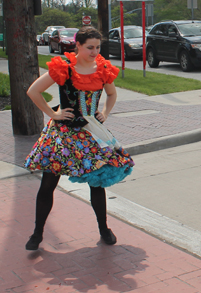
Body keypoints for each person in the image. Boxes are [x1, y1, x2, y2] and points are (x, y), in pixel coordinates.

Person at [24, 26, 134, 250]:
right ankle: (37, 233)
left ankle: (104, 229)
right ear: (78, 46)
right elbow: (33, 91)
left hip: (91, 132)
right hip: (62, 134)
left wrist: (105, 112)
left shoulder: (102, 68)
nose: (95, 52)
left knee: (97, 182)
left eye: (98, 47)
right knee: (48, 183)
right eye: (90, 47)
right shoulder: (64, 67)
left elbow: (112, 94)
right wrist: (53, 114)